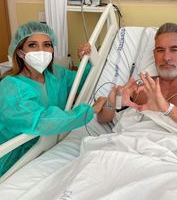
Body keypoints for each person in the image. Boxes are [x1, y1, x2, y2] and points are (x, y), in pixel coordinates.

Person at [95, 22, 177, 147]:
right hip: (124, 148)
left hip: (170, 159)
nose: (166, 57)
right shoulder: (138, 86)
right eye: (160, 50)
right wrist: (112, 102)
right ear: (154, 54)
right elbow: (104, 119)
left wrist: (168, 109)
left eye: (174, 50)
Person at [0, 21, 102, 176]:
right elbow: (43, 121)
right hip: (14, 156)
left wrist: (86, 62)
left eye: (47, 44)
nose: (41, 50)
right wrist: (88, 111)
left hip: (44, 147)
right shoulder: (12, 87)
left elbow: (82, 82)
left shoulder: (56, 75)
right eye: (33, 45)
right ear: (20, 52)